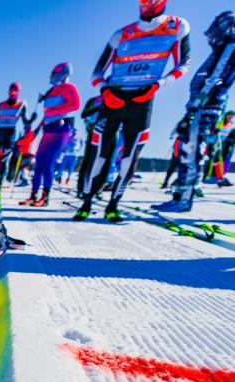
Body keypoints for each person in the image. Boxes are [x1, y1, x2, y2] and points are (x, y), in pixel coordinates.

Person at [74, 0, 191, 222]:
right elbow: (97, 73)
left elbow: (184, 64)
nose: (145, 4)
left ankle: (113, 205)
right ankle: (86, 202)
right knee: (98, 155)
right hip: (114, 98)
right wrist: (104, 90)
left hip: (142, 99)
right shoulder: (121, 33)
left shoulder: (177, 26)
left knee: (129, 157)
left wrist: (158, 85)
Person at [153, 11, 234, 212]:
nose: (210, 37)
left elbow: (215, 78)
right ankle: (179, 196)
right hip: (200, 106)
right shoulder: (222, 49)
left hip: (205, 106)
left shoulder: (229, 47)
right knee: (187, 149)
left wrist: (196, 105)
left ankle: (183, 200)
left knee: (191, 151)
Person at [25, 63, 81, 207]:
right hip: (48, 129)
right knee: (39, 163)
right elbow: (46, 114)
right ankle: (33, 195)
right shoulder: (51, 91)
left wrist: (53, 111)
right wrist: (38, 128)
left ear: (63, 73)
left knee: (49, 162)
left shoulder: (69, 87)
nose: (52, 76)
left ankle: (45, 198)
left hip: (61, 129)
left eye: (55, 73)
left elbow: (75, 105)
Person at [0, 82, 37, 209]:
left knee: (4, 162)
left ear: (19, 91)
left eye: (16, 90)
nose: (13, 92)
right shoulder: (0, 105)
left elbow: (26, 121)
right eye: (12, 89)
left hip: (10, 135)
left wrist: (32, 119)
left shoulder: (21, 104)